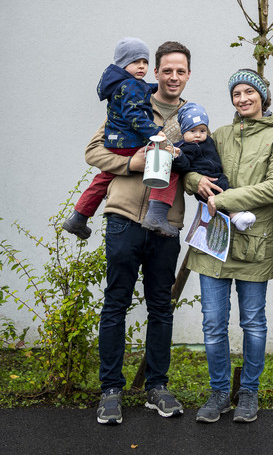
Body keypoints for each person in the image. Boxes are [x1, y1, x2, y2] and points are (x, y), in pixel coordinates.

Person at [85, 40, 192, 425]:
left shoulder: (191, 116)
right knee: (116, 302)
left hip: (166, 224)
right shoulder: (128, 100)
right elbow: (93, 152)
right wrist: (132, 163)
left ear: (188, 75)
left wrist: (191, 169)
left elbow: (199, 164)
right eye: (167, 70)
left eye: (181, 71)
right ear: (156, 72)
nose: (173, 77)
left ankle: (157, 387)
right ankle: (110, 389)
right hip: (124, 217)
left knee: (160, 305)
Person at [183, 69, 273, 424]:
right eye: (236, 93)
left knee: (253, 322)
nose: (242, 99)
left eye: (249, 92)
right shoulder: (218, 135)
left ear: (262, 96)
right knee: (213, 323)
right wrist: (195, 180)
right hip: (213, 242)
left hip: (252, 244)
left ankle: (248, 391)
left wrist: (223, 199)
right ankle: (218, 393)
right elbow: (190, 166)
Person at [63, 37, 179, 239]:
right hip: (129, 142)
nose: (141, 66)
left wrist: (156, 87)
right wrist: (154, 131)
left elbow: (140, 90)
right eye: (135, 62)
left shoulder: (122, 84)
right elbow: (134, 115)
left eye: (144, 62)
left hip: (117, 142)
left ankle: (78, 217)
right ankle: (156, 216)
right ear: (122, 64)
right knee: (167, 165)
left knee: (103, 178)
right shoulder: (131, 86)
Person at [173, 101, 256, 232]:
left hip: (217, 175)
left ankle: (237, 214)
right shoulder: (184, 148)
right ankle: (236, 216)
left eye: (202, 130)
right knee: (220, 193)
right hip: (205, 180)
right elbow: (184, 166)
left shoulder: (209, 141)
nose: (198, 135)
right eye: (192, 131)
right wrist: (178, 157)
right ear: (183, 133)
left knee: (226, 192)